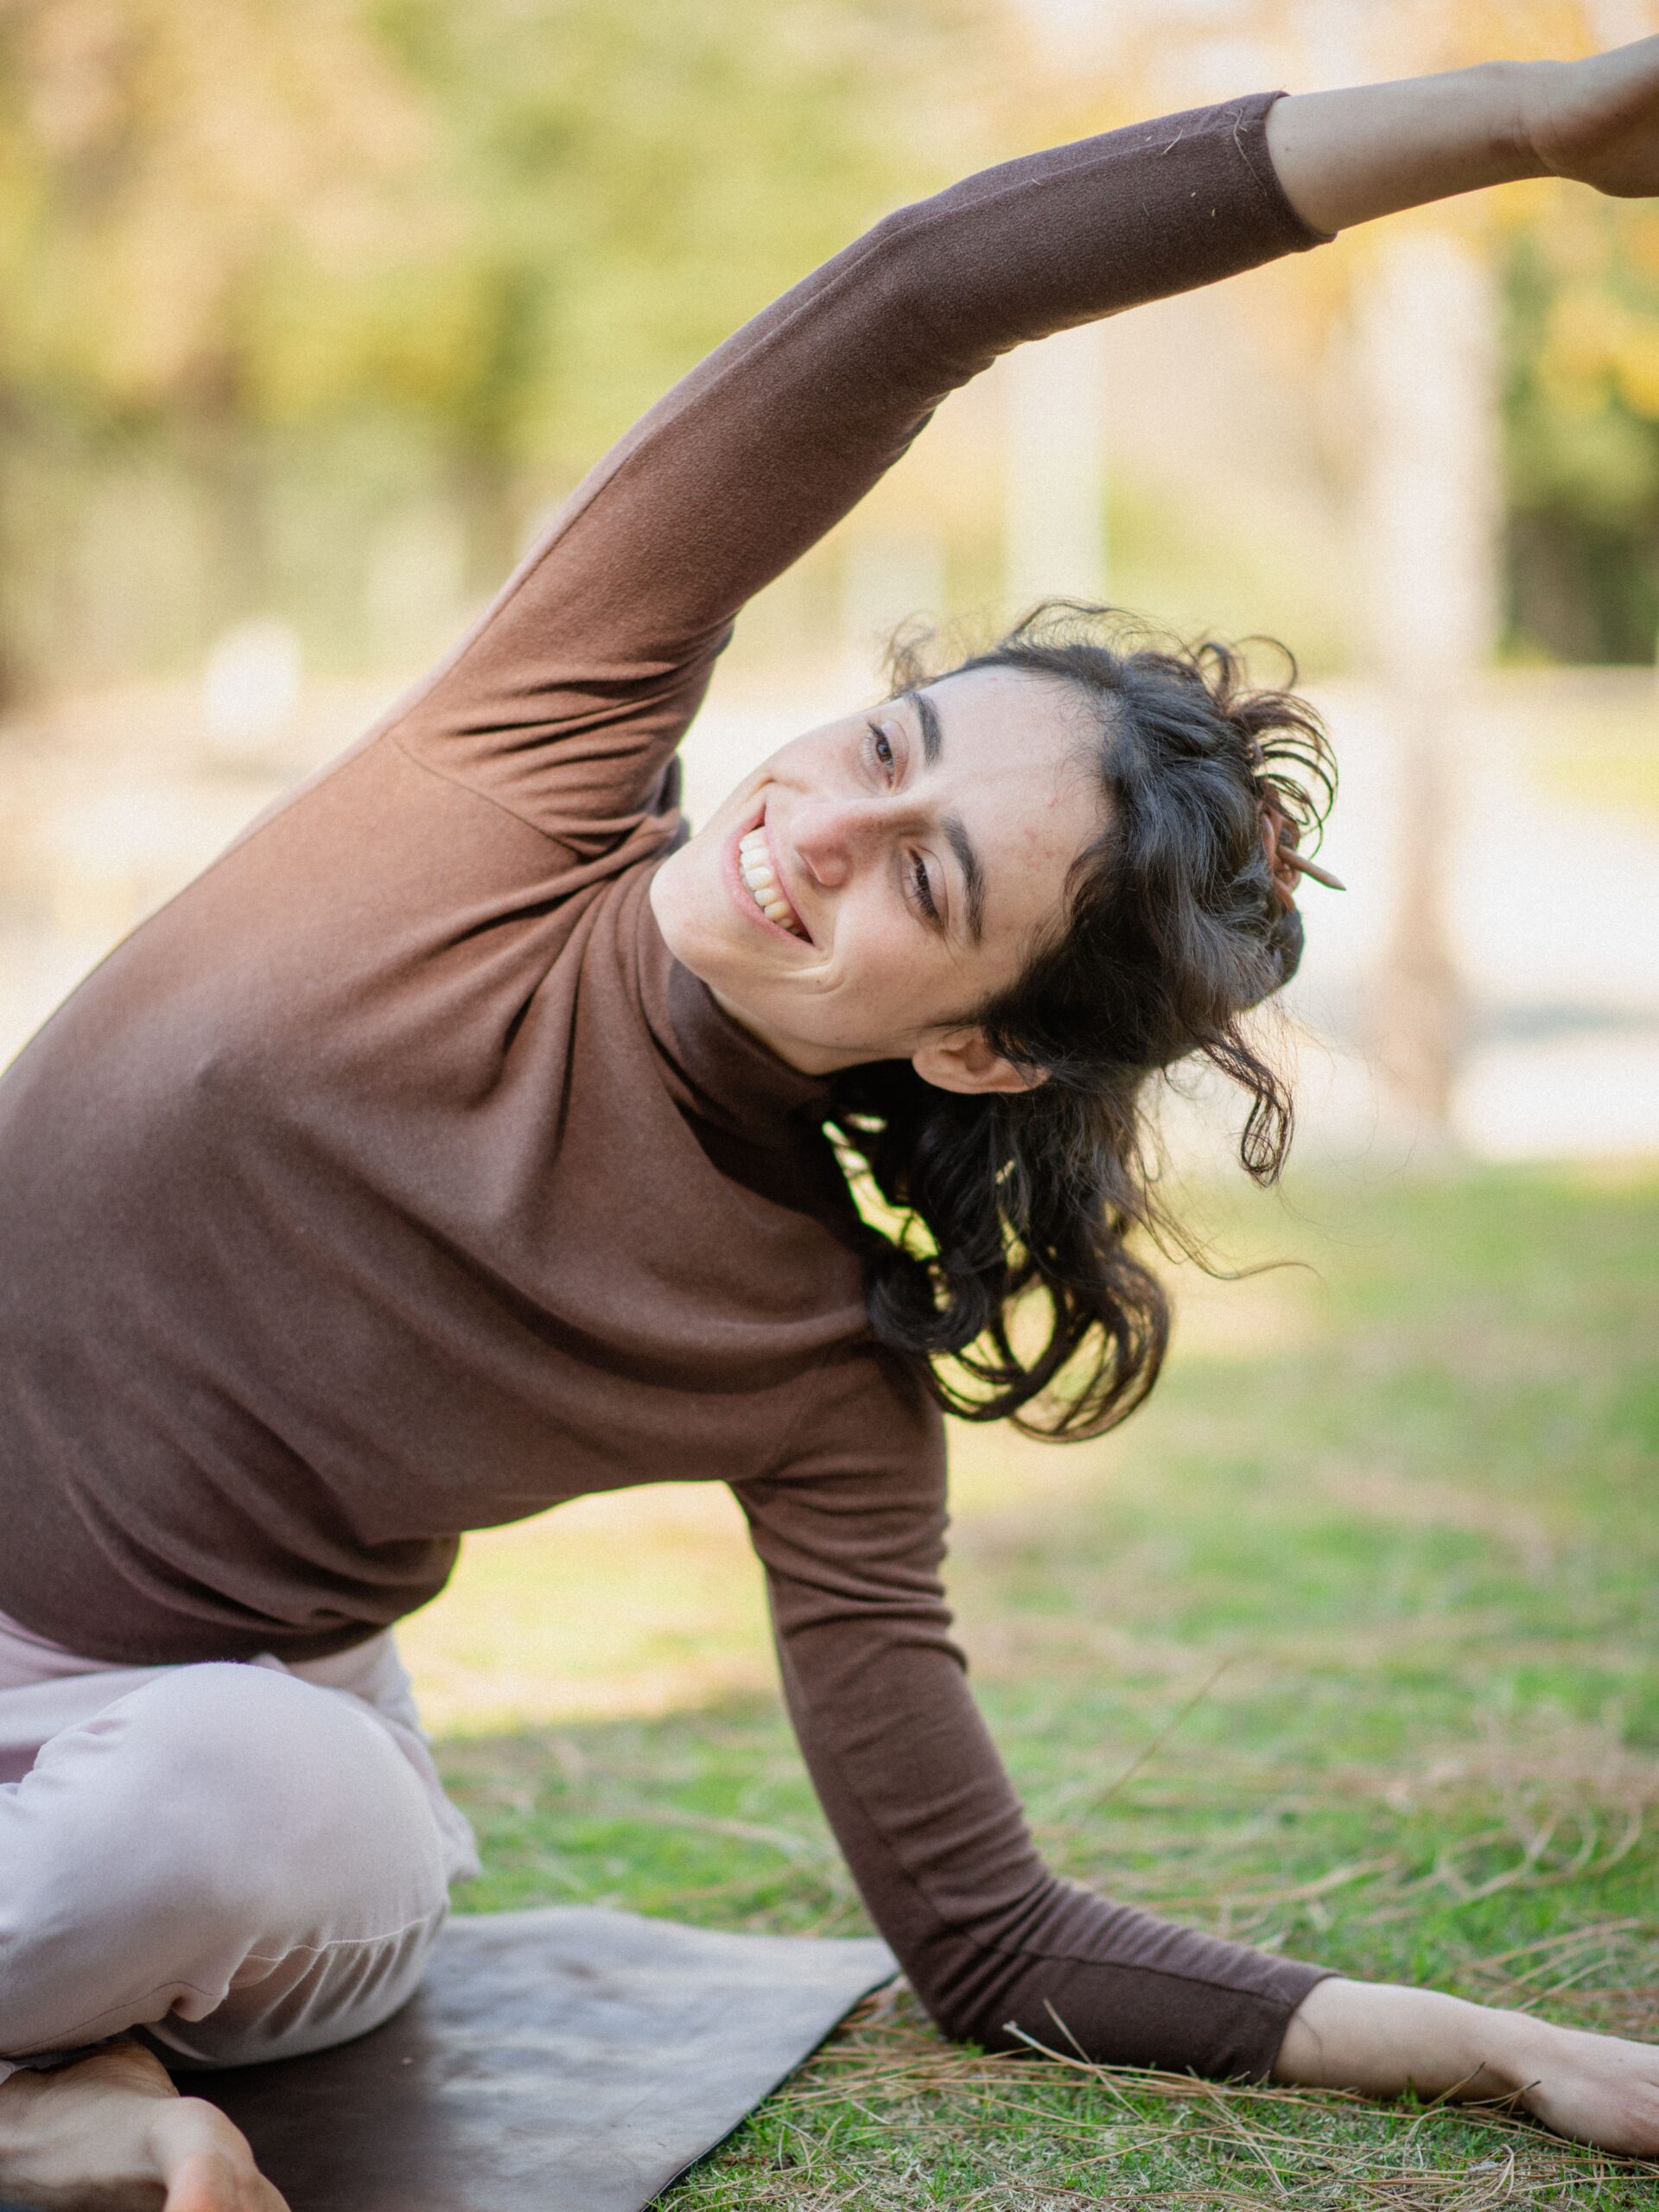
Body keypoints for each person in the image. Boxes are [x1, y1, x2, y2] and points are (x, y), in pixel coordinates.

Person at [2, 37, 1657, 2212]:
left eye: (928, 884)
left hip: (182, 1809)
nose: (820, 826)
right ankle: (52, 2090)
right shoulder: (522, 767)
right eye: (888, 745)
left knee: (249, 1793)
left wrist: (1508, 2046)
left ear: (979, 1050)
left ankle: (75, 2050)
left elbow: (988, 1936)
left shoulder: (811, 1355)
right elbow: (920, 293)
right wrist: (1536, 127)